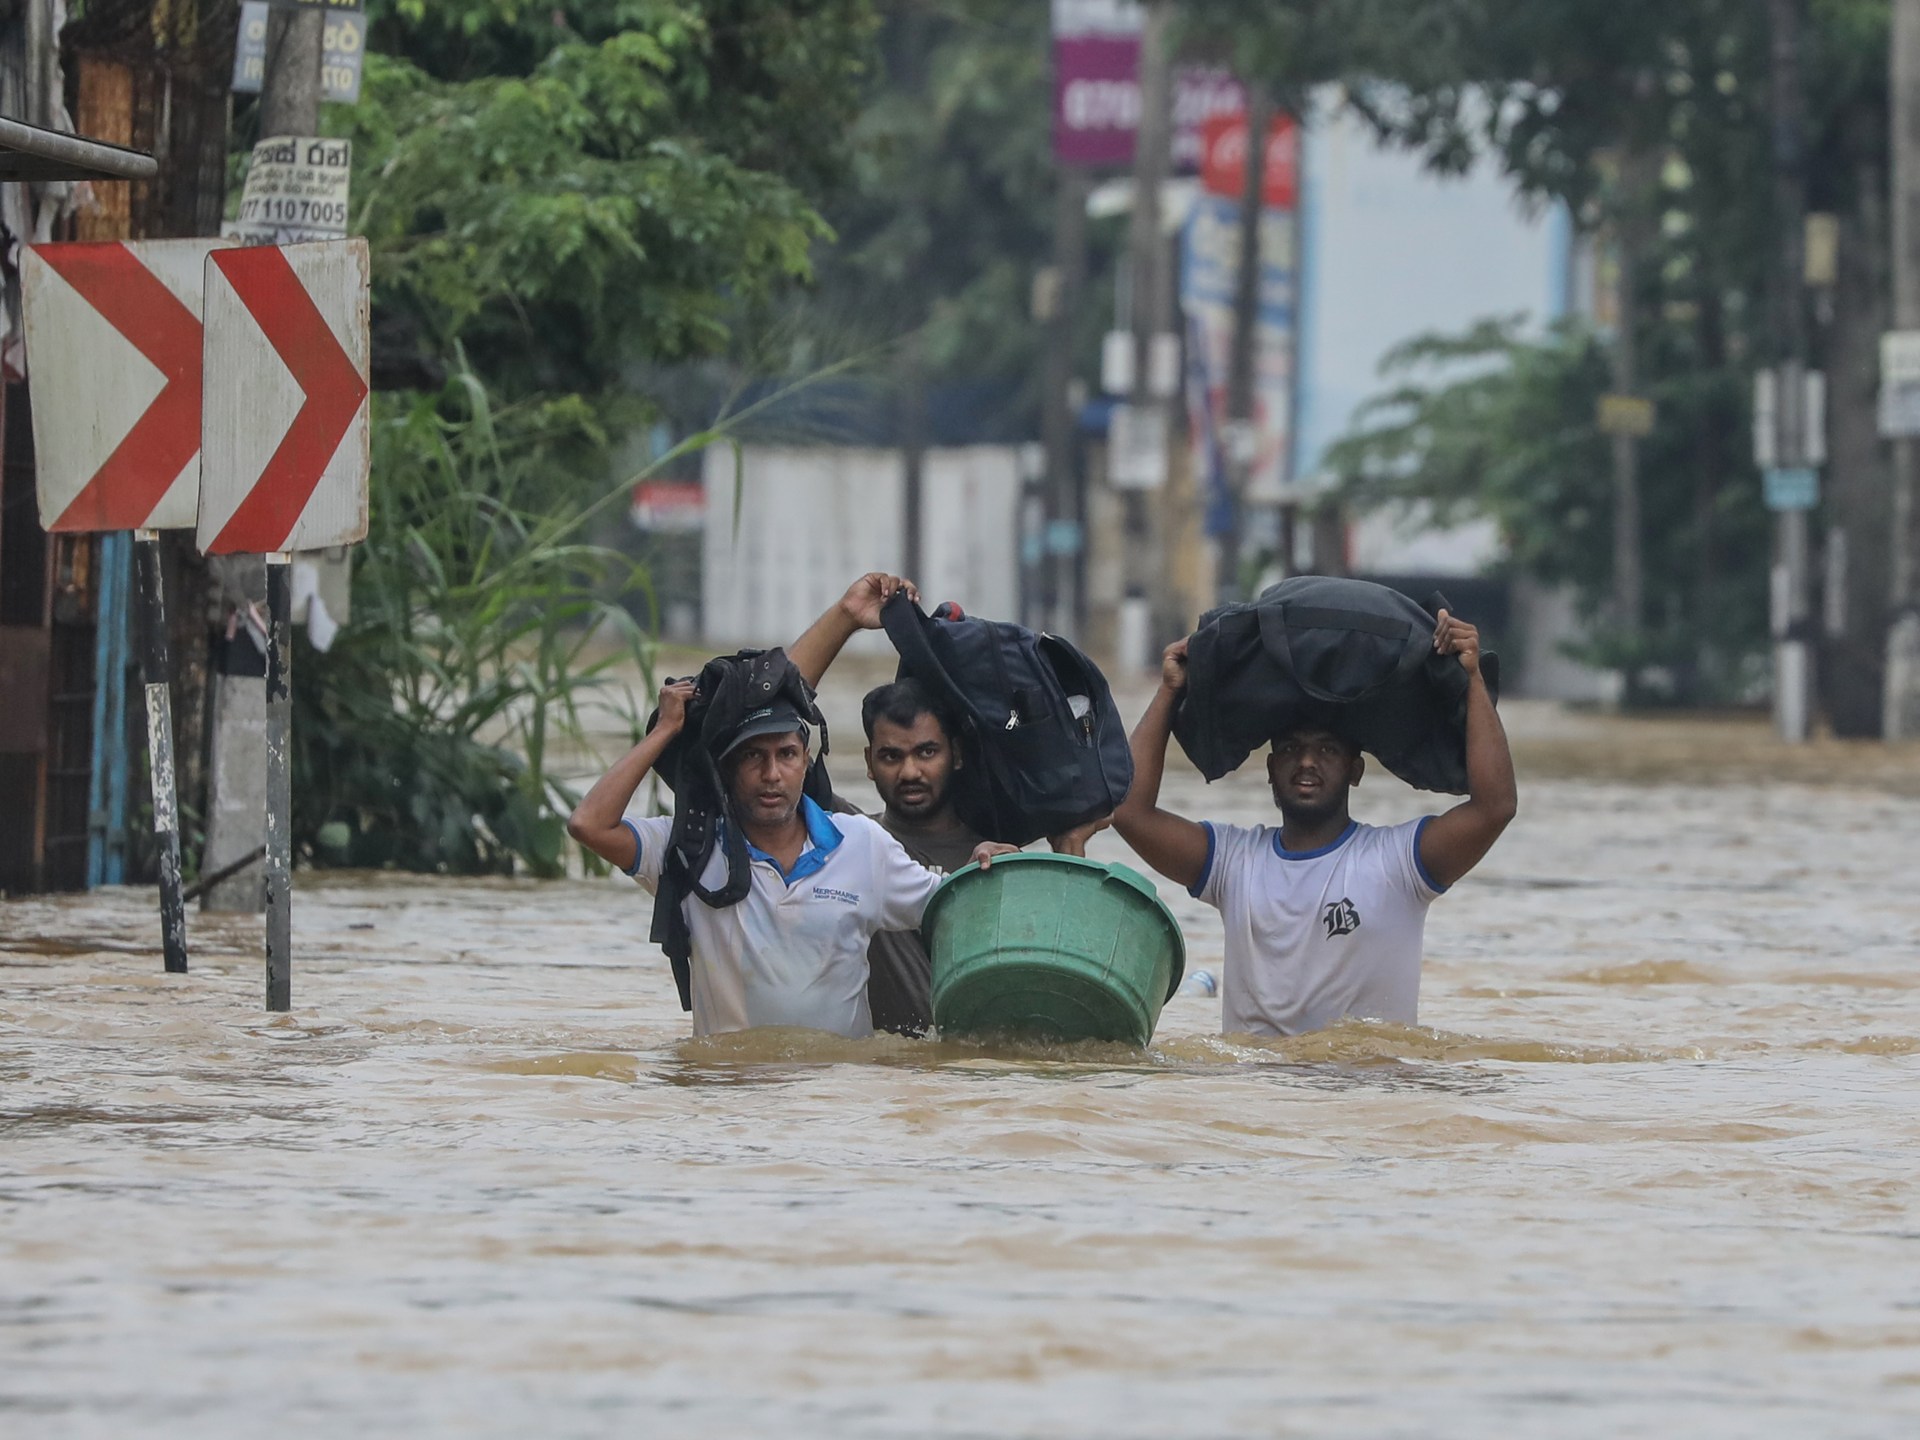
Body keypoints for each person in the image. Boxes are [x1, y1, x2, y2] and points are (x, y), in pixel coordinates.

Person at [1112, 609, 1516, 1037]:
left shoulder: (1399, 863)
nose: (1306, 762)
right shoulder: (1233, 862)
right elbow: (1130, 811)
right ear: (1269, 768)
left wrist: (1472, 678)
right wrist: (1169, 690)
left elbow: (1495, 807)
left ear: (1355, 771)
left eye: (1326, 750)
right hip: (1255, 1091)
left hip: (1363, 1092)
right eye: (1290, 749)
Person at [567, 678, 1013, 1038]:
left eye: (786, 754)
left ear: (805, 762)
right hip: (727, 1097)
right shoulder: (690, 847)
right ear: (726, 768)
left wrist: (986, 860)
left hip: (835, 1103)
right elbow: (589, 825)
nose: (771, 774)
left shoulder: (861, 843)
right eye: (753, 757)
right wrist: (666, 731)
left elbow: (958, 909)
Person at [787, 573, 1104, 1035]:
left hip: (969, 1085)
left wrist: (1071, 849)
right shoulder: (844, 839)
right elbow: (770, 720)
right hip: (870, 1088)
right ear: (870, 763)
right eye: (892, 756)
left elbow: (1071, 991)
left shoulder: (998, 861)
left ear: (956, 754)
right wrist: (846, 617)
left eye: (926, 752)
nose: (910, 772)